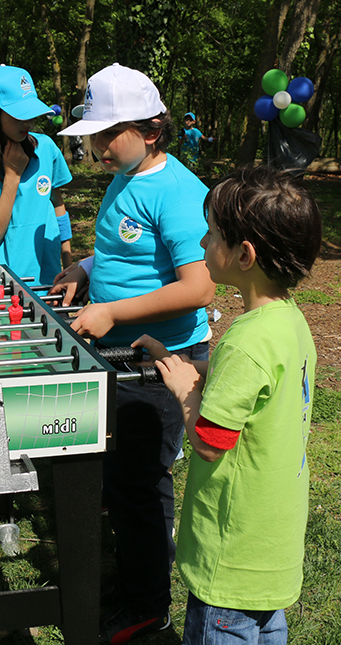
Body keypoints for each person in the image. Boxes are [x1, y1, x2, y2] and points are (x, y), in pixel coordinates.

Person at [52, 63, 215, 643]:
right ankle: (134, 580)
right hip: (124, 354)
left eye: (107, 133)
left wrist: (114, 312)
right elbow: (130, 255)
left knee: (141, 484)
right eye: (92, 134)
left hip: (163, 363)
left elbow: (200, 286)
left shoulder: (178, 192)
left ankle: (148, 606)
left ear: (150, 130)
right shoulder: (126, 175)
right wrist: (85, 267)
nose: (96, 146)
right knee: (120, 478)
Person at [134, 166, 322, 644]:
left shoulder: (245, 343)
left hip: (230, 554)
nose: (201, 243)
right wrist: (183, 366)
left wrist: (186, 391)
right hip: (270, 549)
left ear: (244, 254)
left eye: (212, 234)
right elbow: (256, 394)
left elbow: (211, 442)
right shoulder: (290, 324)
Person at [0, 65, 74, 287]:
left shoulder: (46, 148)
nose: (28, 122)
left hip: (49, 277)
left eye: (31, 113)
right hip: (0, 282)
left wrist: (68, 264)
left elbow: (58, 205)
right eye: (19, 115)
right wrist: (12, 175)